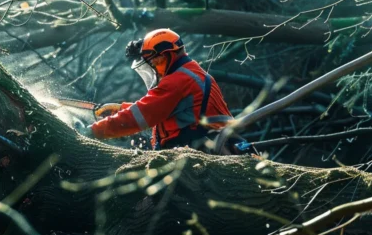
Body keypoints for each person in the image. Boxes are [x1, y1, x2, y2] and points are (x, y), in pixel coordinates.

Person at [82, 29, 253, 154]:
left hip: (200, 153)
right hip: (209, 147)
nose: (155, 68)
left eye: (154, 62)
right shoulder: (191, 72)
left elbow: (140, 116)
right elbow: (163, 109)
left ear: (165, 55)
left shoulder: (177, 81)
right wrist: (120, 108)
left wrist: (93, 131)